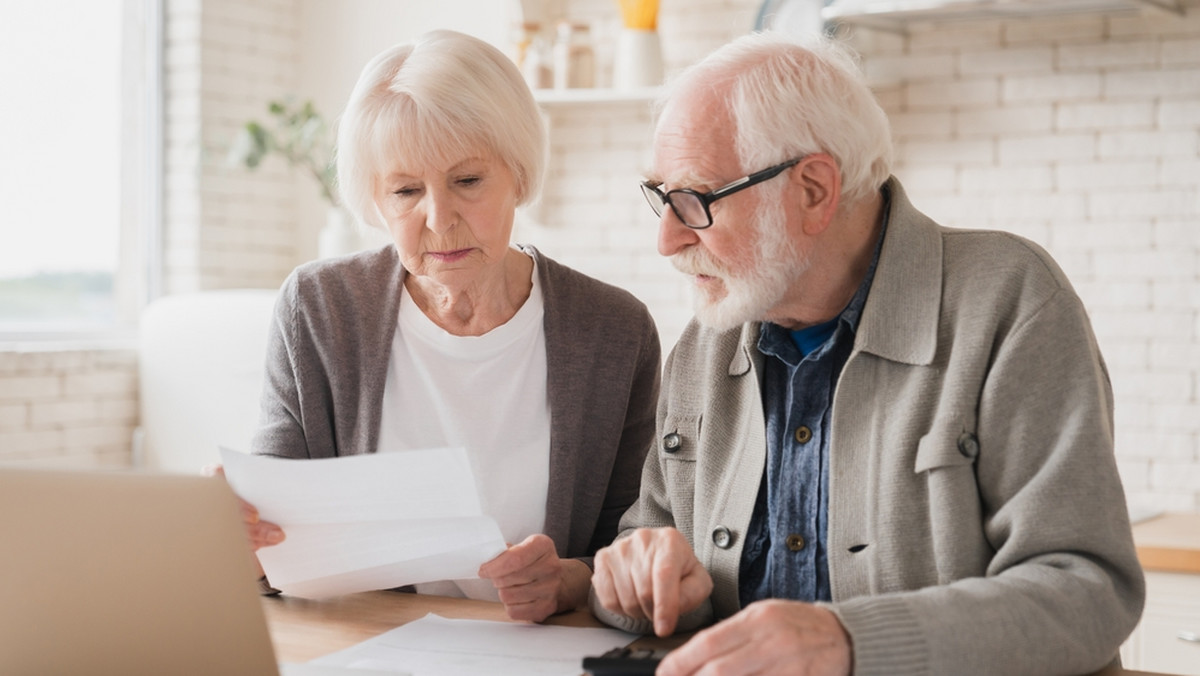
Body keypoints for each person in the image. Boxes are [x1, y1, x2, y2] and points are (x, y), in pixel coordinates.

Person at [588, 31, 1145, 676]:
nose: (667, 239)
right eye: (661, 197)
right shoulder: (708, 338)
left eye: (695, 200)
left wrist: (851, 642)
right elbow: (645, 545)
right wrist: (637, 582)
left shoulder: (1009, 299)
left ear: (815, 190)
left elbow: (1088, 593)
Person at [235, 29, 661, 624]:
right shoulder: (318, 310)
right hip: (366, 649)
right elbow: (273, 542)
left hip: (538, 650)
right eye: (406, 191)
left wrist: (568, 580)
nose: (439, 219)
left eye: (467, 181)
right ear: (376, 201)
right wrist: (240, 535)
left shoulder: (614, 331)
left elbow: (638, 541)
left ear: (517, 172)